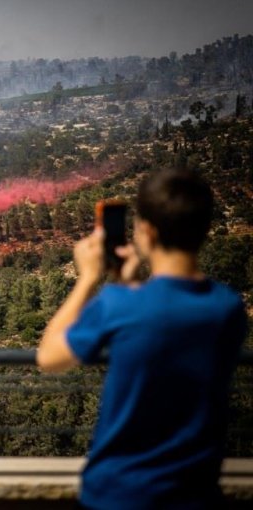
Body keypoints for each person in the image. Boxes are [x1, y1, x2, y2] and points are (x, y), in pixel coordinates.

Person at [37, 168, 248, 509]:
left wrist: (87, 280)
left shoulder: (117, 304)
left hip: (118, 492)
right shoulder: (228, 309)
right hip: (195, 494)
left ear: (146, 232)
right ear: (205, 229)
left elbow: (49, 358)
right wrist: (129, 286)